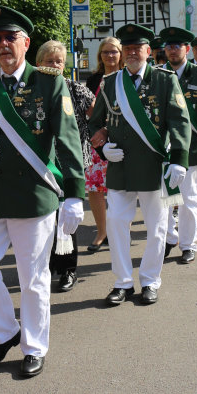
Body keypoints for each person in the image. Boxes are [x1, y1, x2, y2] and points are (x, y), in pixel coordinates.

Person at [0, 6, 84, 377]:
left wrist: (74, 193)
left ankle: (34, 346)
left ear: (26, 43)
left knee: (33, 277)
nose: (3, 45)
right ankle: (5, 332)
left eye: (10, 37)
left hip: (34, 194)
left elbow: (69, 139)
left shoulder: (49, 83)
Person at [89, 23, 191, 305]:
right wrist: (103, 149)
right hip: (120, 167)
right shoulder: (110, 84)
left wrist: (180, 159)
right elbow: (95, 123)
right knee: (117, 223)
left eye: (138, 48)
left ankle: (149, 280)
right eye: (128, 48)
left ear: (148, 51)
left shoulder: (165, 80)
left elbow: (180, 122)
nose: (133, 53)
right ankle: (122, 282)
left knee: (157, 227)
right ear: (123, 54)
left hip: (153, 165)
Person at [36, 40, 95, 292]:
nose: (55, 65)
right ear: (39, 64)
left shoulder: (76, 89)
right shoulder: (31, 91)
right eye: (50, 61)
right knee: (44, 217)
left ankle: (69, 269)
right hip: (42, 163)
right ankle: (46, 265)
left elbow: (99, 115)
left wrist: (98, 138)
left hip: (70, 163)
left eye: (59, 61)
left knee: (67, 217)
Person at [161, 27, 197, 263]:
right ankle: (168, 238)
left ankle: (188, 244)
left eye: (177, 46)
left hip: (192, 148)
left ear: (186, 49)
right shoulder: (157, 74)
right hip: (163, 149)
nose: (172, 50)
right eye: (168, 46)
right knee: (165, 200)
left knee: (189, 199)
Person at [85, 37, 124, 252]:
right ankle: (102, 232)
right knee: (95, 188)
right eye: (105, 52)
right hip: (97, 141)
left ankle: (120, 231)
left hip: (122, 140)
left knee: (121, 189)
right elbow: (90, 111)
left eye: (114, 52)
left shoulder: (128, 77)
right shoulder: (93, 80)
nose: (110, 56)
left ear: (121, 54)